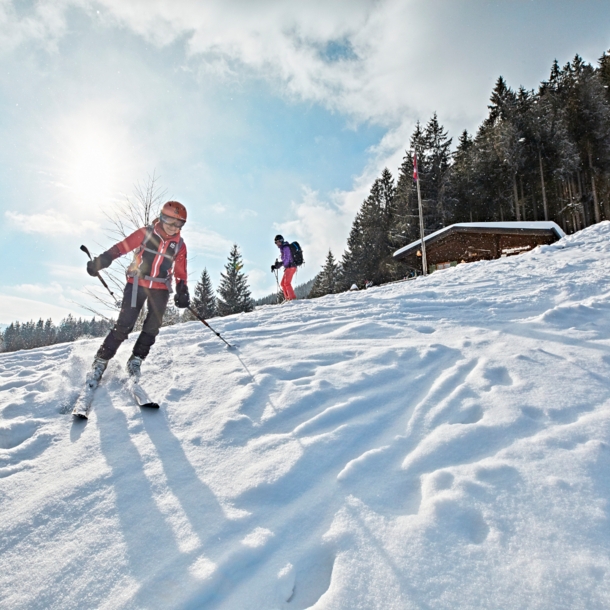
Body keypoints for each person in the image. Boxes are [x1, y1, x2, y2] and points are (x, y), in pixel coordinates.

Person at [85, 200, 190, 381]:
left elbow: (181, 272)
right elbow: (121, 248)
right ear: (161, 217)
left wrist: (182, 290)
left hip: (160, 288)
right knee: (124, 324)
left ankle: (136, 360)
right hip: (136, 284)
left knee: (152, 327)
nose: (174, 227)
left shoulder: (179, 244)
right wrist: (101, 261)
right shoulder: (146, 233)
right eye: (170, 221)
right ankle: (101, 359)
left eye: (179, 223)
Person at [271, 234, 297, 301]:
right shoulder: (282, 249)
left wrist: (278, 265)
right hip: (288, 267)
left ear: (281, 241)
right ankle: (287, 298)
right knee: (282, 284)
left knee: (287, 283)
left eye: (278, 241)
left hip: (291, 267)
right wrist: (276, 266)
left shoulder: (286, 248)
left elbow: (286, 260)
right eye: (276, 242)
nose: (277, 243)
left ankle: (292, 299)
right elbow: (284, 261)